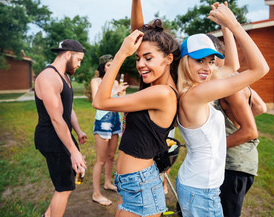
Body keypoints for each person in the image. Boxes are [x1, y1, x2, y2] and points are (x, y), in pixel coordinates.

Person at [175, 2, 269, 217]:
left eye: (210, 61)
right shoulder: (196, 95)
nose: (207, 68)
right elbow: (260, 68)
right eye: (199, 61)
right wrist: (234, 24)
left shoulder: (196, 87)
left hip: (200, 185)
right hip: (200, 189)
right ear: (184, 61)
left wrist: (224, 27)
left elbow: (231, 68)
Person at [92, 15, 181, 216]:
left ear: (168, 59)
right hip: (134, 182)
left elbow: (100, 102)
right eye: (138, 58)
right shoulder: (156, 87)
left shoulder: (162, 93)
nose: (140, 64)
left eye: (148, 58)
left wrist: (121, 54)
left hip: (141, 184)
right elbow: (138, 32)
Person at [211, 35, 268, 217]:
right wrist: (237, 120)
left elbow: (250, 131)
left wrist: (215, 145)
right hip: (242, 162)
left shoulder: (230, 86)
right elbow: (260, 107)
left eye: (209, 58)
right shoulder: (236, 80)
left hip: (235, 166)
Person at [34, 39, 88, 217]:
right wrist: (73, 151)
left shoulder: (64, 76)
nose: (79, 64)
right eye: (78, 59)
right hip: (51, 139)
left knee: (68, 181)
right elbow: (56, 119)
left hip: (62, 136)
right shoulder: (48, 77)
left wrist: (78, 131)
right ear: (67, 54)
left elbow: (68, 108)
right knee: (64, 187)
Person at [90, 54, 128, 206]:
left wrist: (121, 95)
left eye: (113, 64)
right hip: (103, 122)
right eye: (108, 65)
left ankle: (107, 183)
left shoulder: (115, 82)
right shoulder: (96, 81)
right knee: (101, 159)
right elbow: (96, 101)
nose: (111, 67)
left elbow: (117, 102)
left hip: (115, 120)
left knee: (111, 156)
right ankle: (96, 193)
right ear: (102, 67)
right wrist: (115, 90)